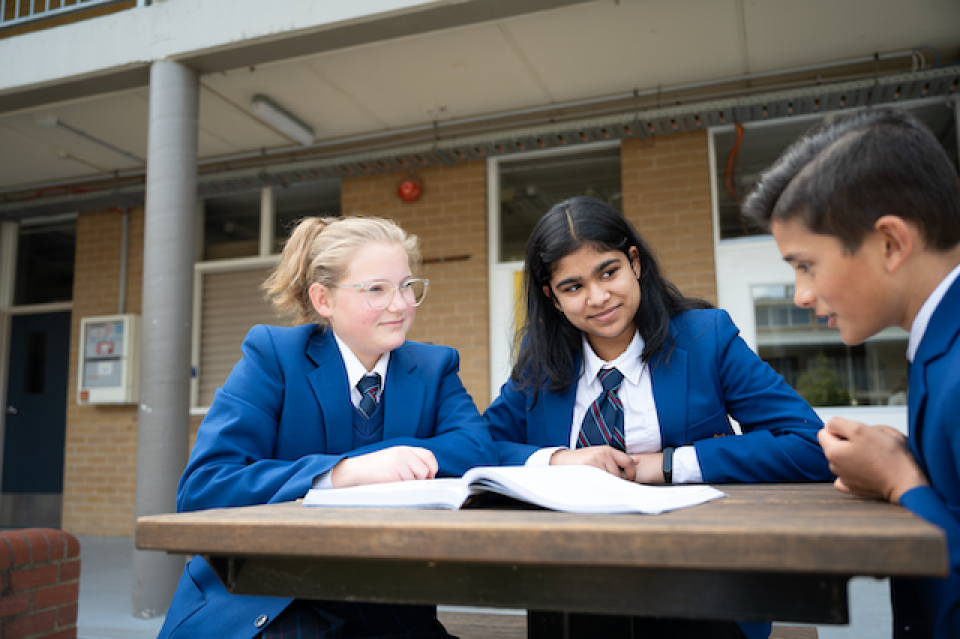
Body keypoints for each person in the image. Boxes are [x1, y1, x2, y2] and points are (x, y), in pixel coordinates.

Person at [484, 195, 832, 639]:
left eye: (608, 272)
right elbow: (478, 447)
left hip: (699, 589)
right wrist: (557, 461)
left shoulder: (708, 338)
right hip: (574, 587)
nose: (597, 297)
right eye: (573, 287)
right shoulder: (541, 363)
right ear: (552, 297)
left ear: (635, 264)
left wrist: (670, 465)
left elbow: (807, 443)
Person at [158, 215, 498, 639]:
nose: (400, 303)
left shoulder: (435, 365)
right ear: (324, 299)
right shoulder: (274, 355)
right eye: (376, 289)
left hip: (389, 607)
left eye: (407, 285)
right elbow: (203, 488)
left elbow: (476, 451)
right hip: (269, 599)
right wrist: (341, 473)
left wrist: (375, 460)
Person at [742, 107, 960, 639]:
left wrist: (900, 482)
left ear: (890, 243)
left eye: (805, 265)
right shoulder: (935, 341)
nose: (801, 295)